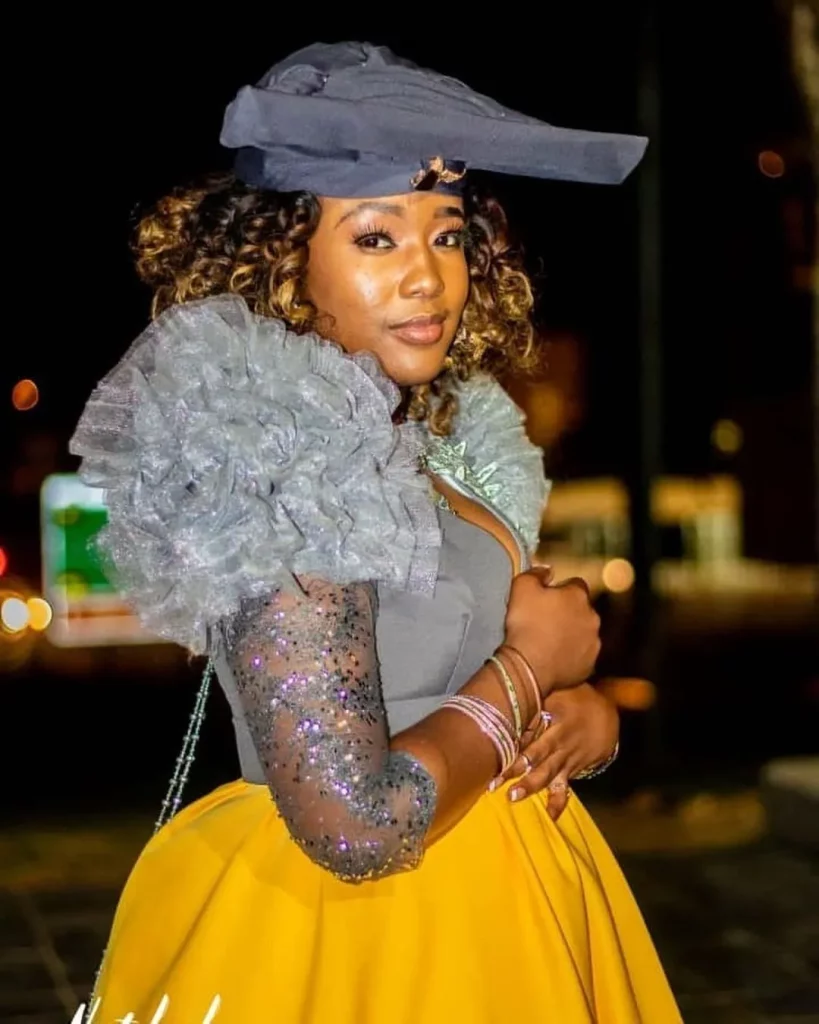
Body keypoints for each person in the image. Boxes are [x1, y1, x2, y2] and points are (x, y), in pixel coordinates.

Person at [70, 41, 681, 1023]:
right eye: (376, 238)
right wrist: (530, 670)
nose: (427, 278)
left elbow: (463, 672)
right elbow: (356, 821)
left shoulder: (423, 444)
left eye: (446, 236)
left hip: (509, 910)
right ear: (280, 256)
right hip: (367, 940)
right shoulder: (280, 463)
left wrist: (578, 718)